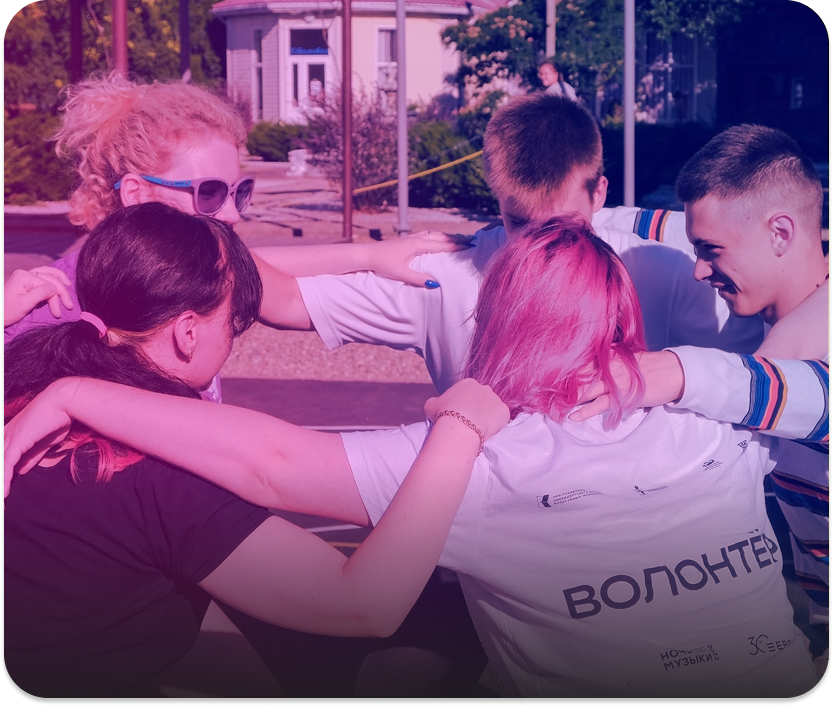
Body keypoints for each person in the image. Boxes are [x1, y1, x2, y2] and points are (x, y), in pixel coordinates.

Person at [5, 215, 820, 698]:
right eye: (235, 322)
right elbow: (809, 380)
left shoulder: (472, 465)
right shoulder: (724, 424)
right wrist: (684, 372)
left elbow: (278, 465)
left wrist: (75, 392)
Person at [1, 202, 509, 698]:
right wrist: (459, 426)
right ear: (187, 332)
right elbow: (364, 603)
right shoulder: (170, 472)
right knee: (447, 620)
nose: (233, 339)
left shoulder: (24, 376)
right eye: (234, 324)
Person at [264, 93, 763, 394]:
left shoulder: (662, 268)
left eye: (562, 226)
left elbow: (757, 377)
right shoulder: (443, 277)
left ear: (600, 195)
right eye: (521, 223)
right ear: (496, 199)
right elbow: (274, 294)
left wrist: (677, 373)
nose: (541, 247)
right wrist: (364, 253)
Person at [574, 124, 830, 665]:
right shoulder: (765, 256)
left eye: (710, 251)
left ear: (781, 234)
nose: (698, 269)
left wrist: (677, 370)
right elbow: (643, 222)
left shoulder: (792, 349)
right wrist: (553, 216)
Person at [4, 71, 472, 364]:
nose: (231, 214)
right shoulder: (53, 304)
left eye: (238, 192)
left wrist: (369, 255)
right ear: (136, 193)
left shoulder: (192, 269)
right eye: (208, 193)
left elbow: (263, 267)